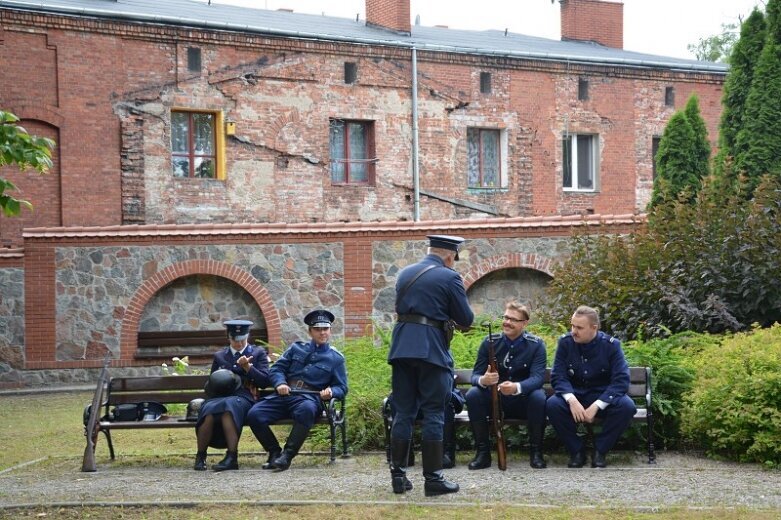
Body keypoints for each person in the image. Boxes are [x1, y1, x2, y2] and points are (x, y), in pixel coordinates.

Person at [387, 234, 474, 497]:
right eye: (454, 260)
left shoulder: (405, 274)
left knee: (403, 412)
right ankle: (433, 479)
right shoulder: (449, 277)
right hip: (431, 351)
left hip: (402, 347)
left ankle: (398, 477)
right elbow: (466, 319)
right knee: (434, 412)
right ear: (450, 256)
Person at [246, 309, 348, 471]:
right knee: (255, 414)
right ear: (310, 331)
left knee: (306, 410)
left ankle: (287, 455)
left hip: (309, 399)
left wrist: (331, 392)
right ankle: (274, 452)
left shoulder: (336, 358)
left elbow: (342, 388)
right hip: (284, 394)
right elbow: (276, 369)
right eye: (317, 329)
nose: (322, 333)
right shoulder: (296, 349)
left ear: (330, 330)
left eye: (325, 329)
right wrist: (279, 383)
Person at [546, 305, 636, 468]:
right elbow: (558, 376)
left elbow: (621, 380)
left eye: (579, 327)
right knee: (553, 405)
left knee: (626, 406)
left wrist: (597, 406)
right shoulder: (566, 343)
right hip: (576, 395)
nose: (573, 331)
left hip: (601, 396)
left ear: (594, 328)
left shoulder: (611, 346)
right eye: (572, 325)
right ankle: (576, 451)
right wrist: (571, 400)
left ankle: (600, 451)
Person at [465, 301, 548, 470]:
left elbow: (538, 378)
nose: (507, 322)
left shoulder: (536, 345)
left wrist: (517, 387)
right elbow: (475, 376)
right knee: (473, 395)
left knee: (538, 397)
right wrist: (484, 380)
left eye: (513, 319)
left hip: (522, 402)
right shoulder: (489, 342)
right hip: (494, 402)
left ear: (524, 323)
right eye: (506, 317)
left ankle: (536, 452)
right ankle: (483, 453)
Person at [194, 319, 271, 471]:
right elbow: (212, 383)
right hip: (219, 396)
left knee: (229, 408)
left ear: (247, 336)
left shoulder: (257, 353)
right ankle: (201, 455)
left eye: (243, 340)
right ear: (229, 338)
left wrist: (248, 367)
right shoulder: (220, 356)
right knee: (208, 410)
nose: (239, 344)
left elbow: (264, 381)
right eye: (236, 340)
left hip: (244, 397)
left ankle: (232, 457)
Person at [385, 377, 465, 468]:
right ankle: (404, 455)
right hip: (414, 405)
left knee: (445, 400)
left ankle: (443, 454)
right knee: (396, 397)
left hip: (437, 403)